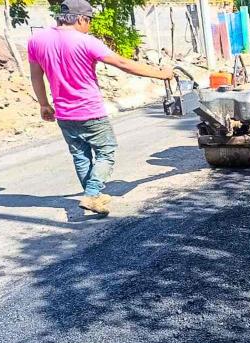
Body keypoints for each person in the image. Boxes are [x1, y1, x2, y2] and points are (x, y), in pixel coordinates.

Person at [27, 0, 173, 215]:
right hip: (90, 111)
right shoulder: (86, 42)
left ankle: (91, 194)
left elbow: (35, 75)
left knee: (80, 156)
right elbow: (123, 64)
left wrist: (43, 105)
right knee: (106, 151)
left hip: (64, 113)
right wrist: (161, 74)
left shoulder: (36, 40)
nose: (90, 26)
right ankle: (93, 193)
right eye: (89, 21)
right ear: (80, 19)